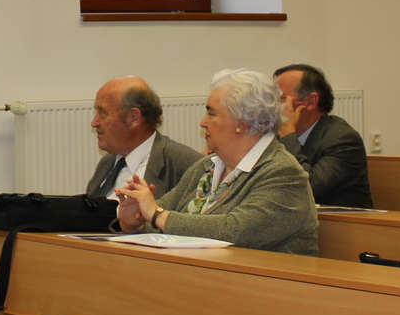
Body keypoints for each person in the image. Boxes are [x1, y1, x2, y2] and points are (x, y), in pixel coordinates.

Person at [114, 69, 318, 255]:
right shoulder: (206, 167)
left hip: (264, 282)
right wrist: (136, 222)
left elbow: (234, 233)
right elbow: (162, 218)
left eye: (211, 113)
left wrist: (155, 214)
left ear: (242, 123)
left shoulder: (284, 174)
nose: (203, 123)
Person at [274, 63, 373, 208]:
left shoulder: (343, 139)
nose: (273, 105)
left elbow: (306, 187)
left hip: (340, 220)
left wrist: (288, 133)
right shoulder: (276, 136)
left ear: (311, 101)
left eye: (282, 98)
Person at [86, 76, 200, 199]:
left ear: (134, 118)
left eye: (103, 113)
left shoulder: (184, 165)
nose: (94, 123)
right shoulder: (108, 162)